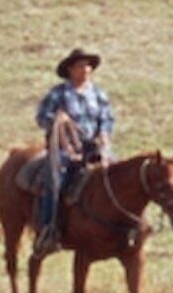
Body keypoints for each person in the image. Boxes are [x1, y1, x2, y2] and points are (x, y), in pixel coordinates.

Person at [31, 48, 113, 254]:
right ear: (70, 70)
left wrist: (104, 136)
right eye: (80, 66)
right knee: (55, 180)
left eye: (88, 66)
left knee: (117, 175)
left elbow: (107, 118)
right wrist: (58, 120)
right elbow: (42, 117)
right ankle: (49, 229)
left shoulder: (98, 94)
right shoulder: (58, 93)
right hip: (65, 148)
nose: (85, 70)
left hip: (93, 147)